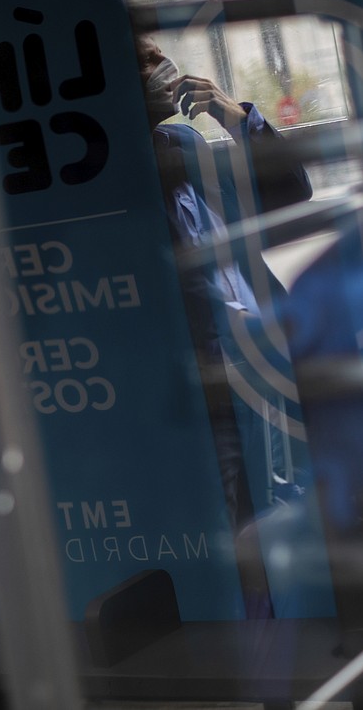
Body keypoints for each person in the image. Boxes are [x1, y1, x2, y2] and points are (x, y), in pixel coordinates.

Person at [136, 35, 313, 592]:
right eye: (143, 59)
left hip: (267, 353)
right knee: (237, 517)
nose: (162, 66)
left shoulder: (183, 144)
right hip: (212, 378)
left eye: (160, 53)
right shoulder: (121, 176)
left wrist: (235, 118)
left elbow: (290, 190)